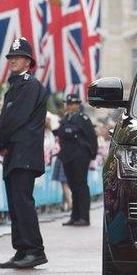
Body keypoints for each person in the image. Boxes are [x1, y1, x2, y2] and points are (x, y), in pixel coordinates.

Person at [0, 37, 49, 269]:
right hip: (15, 153)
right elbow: (5, 118)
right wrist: (1, 140)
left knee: (23, 202)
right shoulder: (16, 86)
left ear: (28, 61)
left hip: (23, 152)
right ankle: (21, 249)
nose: (13, 61)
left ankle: (34, 249)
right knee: (15, 204)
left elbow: (14, 118)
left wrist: (0, 139)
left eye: (18, 57)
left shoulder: (29, 86)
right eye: (11, 57)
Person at [54, 93, 98, 226]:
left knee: (81, 186)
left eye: (71, 103)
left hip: (80, 156)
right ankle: (75, 215)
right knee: (73, 186)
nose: (68, 106)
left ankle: (84, 217)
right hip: (67, 156)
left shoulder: (83, 118)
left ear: (77, 105)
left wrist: (92, 155)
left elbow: (91, 137)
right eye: (67, 103)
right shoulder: (66, 118)